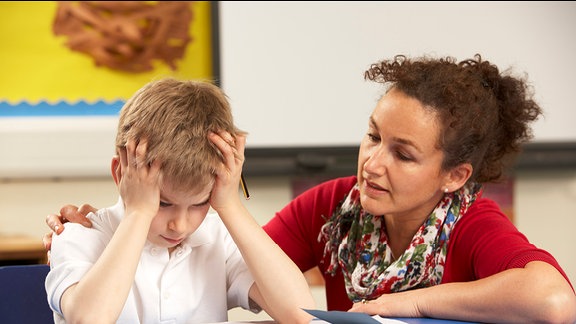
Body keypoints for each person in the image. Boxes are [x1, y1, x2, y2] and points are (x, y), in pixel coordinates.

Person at [45, 54, 576, 323]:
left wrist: (404, 304)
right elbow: (278, 289)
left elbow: (554, 301)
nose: (372, 162)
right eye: (372, 136)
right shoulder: (333, 206)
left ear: (454, 176)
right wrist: (133, 216)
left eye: (403, 153)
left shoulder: (472, 223)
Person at [44, 77, 315, 324]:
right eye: (162, 203)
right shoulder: (79, 236)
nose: (179, 225)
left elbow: (301, 314)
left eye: (200, 203)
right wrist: (139, 213)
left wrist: (229, 205)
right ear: (121, 173)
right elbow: (89, 320)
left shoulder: (218, 240)